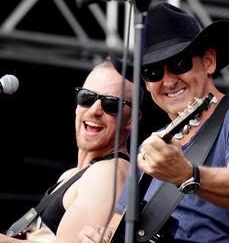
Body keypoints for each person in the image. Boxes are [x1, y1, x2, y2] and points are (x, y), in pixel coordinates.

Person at [78, 2, 229, 243]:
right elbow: (119, 227)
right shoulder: (152, 148)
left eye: (180, 64)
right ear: (145, 83)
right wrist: (101, 237)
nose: (168, 80)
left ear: (208, 61)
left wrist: (186, 174)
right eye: (154, 72)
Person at [1, 60, 133, 243]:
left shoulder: (108, 172)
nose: (95, 110)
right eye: (87, 97)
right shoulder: (72, 175)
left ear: (131, 119)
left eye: (112, 104)